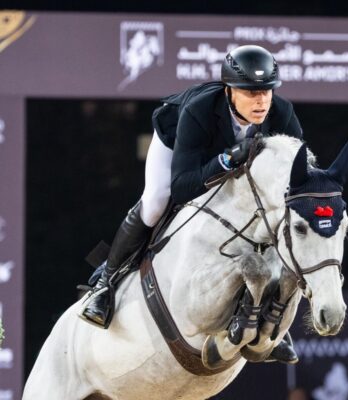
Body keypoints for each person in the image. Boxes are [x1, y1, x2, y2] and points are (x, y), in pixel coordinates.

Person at [80, 45, 303, 363]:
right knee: (156, 200)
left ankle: (270, 317)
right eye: (251, 92)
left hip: (231, 162)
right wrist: (226, 160)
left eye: (266, 91)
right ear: (229, 91)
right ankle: (106, 285)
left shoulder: (282, 113)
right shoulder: (199, 110)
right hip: (179, 145)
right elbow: (183, 187)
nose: (261, 101)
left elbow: (299, 175)